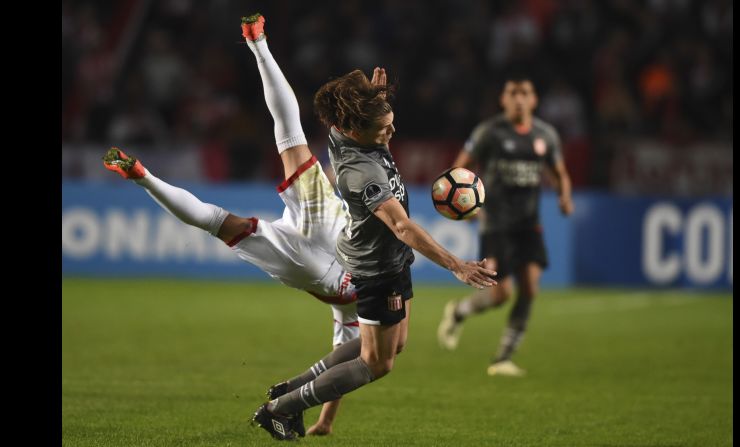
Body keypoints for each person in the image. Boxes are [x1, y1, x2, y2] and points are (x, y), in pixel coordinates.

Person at [102, 12, 361, 435]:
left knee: (289, 134)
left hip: (327, 237)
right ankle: (144, 177)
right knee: (218, 221)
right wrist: (326, 420)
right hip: (313, 270)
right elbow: (347, 364)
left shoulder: (359, 307)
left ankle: (257, 42)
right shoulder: (357, 316)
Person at [248, 18, 498, 443]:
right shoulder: (362, 174)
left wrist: (375, 97)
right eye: (383, 129)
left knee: (393, 345)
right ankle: (280, 408)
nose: (392, 132)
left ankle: (290, 388)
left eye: (390, 123)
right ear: (354, 132)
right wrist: (457, 266)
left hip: (391, 264)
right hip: (377, 270)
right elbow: (401, 226)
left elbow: (361, 114)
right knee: (377, 363)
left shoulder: (346, 131)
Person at [437, 75, 575, 377]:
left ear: (534, 99)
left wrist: (564, 196)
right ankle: (459, 311)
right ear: (503, 99)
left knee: (529, 288)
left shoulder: (545, 135)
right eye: (512, 93)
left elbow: (560, 172)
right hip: (495, 223)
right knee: (500, 294)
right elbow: (459, 170)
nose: (518, 99)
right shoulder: (489, 132)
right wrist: (469, 207)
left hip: (529, 224)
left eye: (524, 93)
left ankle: (502, 358)